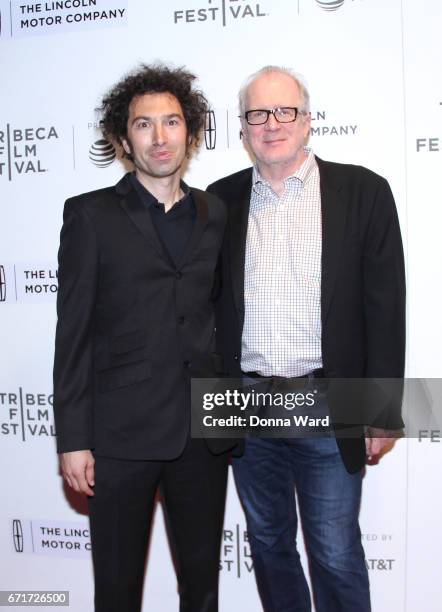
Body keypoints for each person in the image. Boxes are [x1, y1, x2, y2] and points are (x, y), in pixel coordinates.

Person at [207, 65, 405, 612]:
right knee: (268, 546)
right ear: (242, 128)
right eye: (257, 114)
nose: (272, 124)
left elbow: (386, 307)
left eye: (284, 111)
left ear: (308, 120)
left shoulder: (363, 191)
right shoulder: (216, 203)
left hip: (329, 402)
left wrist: (384, 409)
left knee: (335, 551)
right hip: (247, 405)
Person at [53, 63, 232, 612]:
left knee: (201, 587)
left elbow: (217, 317)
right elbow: (73, 334)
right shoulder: (90, 216)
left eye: (172, 122)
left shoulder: (215, 211)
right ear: (122, 139)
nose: (160, 137)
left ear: (192, 133)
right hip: (120, 435)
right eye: (144, 124)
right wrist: (73, 439)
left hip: (204, 432)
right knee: (117, 588)